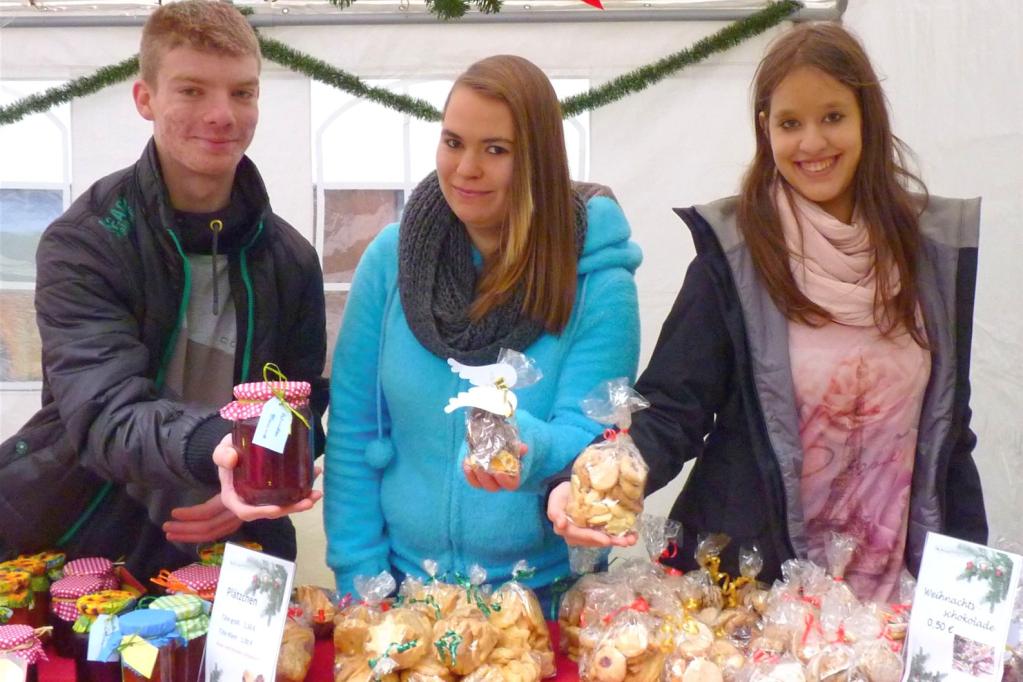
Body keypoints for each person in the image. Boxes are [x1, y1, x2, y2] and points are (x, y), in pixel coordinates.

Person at [548, 22, 986, 602]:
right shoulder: (737, 255)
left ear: (868, 119)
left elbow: (948, 433)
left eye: (833, 116)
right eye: (790, 123)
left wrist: (973, 594)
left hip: (894, 592)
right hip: (758, 595)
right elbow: (673, 411)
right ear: (766, 129)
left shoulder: (930, 253)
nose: (812, 142)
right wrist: (583, 485)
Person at [0, 0, 326, 579]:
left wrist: (254, 483)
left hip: (237, 540)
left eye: (243, 92)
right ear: (145, 98)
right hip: (86, 531)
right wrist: (226, 453)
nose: (222, 114)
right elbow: (105, 412)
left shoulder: (291, 258)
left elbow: (301, 404)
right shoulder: (87, 242)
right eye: (192, 90)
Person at [324, 55, 641, 602]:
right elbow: (355, 431)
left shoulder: (598, 282)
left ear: (539, 160)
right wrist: (361, 580)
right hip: (401, 595)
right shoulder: (390, 262)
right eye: (453, 142)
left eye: (496, 150)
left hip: (544, 598)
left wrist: (522, 445)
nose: (466, 168)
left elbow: (592, 435)